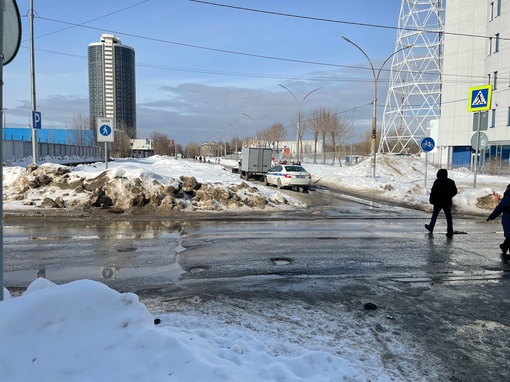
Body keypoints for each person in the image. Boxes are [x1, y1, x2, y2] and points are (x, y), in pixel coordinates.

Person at [425, 168, 458, 237]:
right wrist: (449, 196)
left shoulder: (437, 181)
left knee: (435, 215)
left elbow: (433, 191)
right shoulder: (451, 182)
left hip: (438, 202)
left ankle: (431, 227)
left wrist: (431, 200)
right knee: (448, 217)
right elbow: (455, 191)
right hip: (447, 202)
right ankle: (450, 231)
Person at [487, 184, 510, 254]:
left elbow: (499, 209)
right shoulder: (507, 199)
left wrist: (491, 217)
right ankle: (504, 247)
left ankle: (504, 247)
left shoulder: (507, 199)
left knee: (509, 236)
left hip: (508, 220)